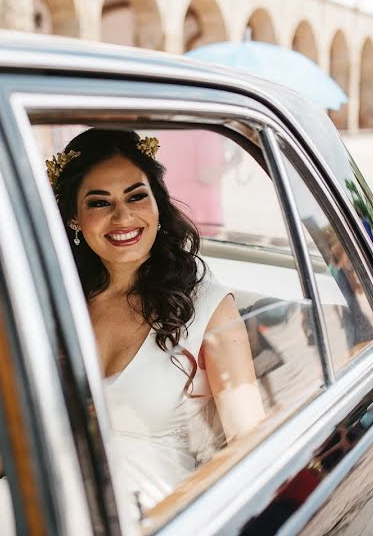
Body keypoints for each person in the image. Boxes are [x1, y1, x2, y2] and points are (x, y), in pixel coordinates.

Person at [47, 128, 265, 514]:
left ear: (157, 204)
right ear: (73, 219)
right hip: (44, 504)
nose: (123, 216)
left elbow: (250, 448)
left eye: (136, 196)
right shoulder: (55, 301)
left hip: (158, 516)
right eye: (100, 202)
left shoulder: (207, 306)